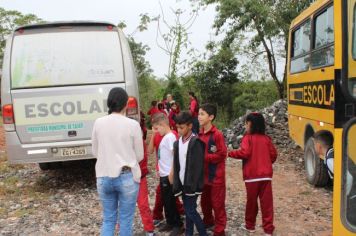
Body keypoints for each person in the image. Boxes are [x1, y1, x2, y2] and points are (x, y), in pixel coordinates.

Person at [92, 87, 143, 236]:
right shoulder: (133, 125)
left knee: (108, 219)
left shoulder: (98, 122)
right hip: (127, 176)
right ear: (126, 104)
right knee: (125, 220)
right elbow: (139, 155)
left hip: (103, 176)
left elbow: (95, 151)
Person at [228, 112, 277, 236]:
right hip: (266, 176)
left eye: (246, 124)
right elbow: (273, 155)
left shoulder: (247, 138)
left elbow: (244, 153)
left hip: (252, 177)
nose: (245, 126)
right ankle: (268, 230)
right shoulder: (267, 139)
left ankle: (250, 226)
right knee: (267, 204)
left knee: (251, 202)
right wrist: (265, 162)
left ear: (250, 124)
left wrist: (230, 153)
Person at [170, 111, 207, 236]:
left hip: (192, 185)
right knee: (188, 211)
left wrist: (193, 185)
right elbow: (177, 165)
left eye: (182, 127)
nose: (179, 130)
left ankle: (203, 233)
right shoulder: (177, 143)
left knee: (190, 211)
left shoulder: (196, 142)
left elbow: (198, 167)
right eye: (177, 127)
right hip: (182, 183)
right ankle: (189, 233)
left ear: (190, 126)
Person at [151, 113, 184, 235]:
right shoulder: (166, 136)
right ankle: (170, 222)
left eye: (156, 128)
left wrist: (172, 173)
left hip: (168, 175)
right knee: (166, 200)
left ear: (163, 125)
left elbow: (176, 155)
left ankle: (178, 224)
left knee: (171, 200)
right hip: (163, 174)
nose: (155, 131)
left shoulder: (170, 137)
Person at [198, 103, 227, 236]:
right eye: (198, 114)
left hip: (216, 177)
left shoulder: (217, 135)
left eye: (202, 114)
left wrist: (204, 157)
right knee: (205, 203)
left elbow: (222, 154)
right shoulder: (199, 134)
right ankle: (208, 221)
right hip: (204, 177)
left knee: (218, 204)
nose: (199, 117)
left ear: (211, 117)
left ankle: (220, 230)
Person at [138, 112, 156, 236]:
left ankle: (149, 230)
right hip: (138, 176)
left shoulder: (140, 141)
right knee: (143, 204)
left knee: (143, 204)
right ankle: (149, 230)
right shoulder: (140, 139)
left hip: (138, 176)